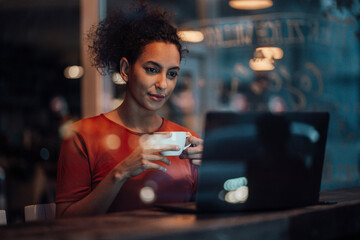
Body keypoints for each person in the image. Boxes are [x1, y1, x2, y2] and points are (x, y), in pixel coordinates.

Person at [55, 3, 203, 217]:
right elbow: (64, 222)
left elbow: (210, 219)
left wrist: (214, 172)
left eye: (172, 74)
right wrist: (120, 173)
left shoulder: (188, 143)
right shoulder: (83, 136)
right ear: (125, 70)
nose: (163, 84)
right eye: (152, 70)